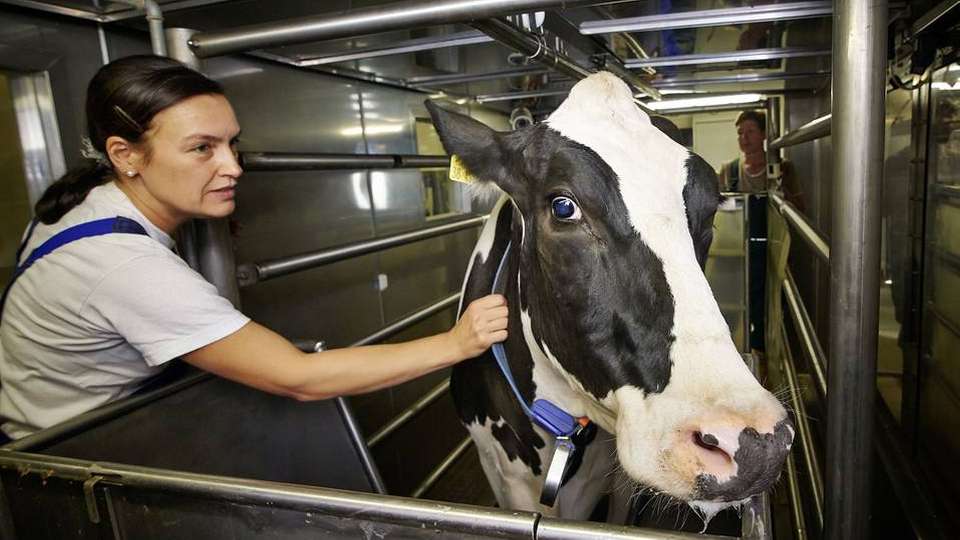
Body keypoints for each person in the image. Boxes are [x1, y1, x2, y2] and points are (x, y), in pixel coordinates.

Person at [0, 55, 508, 442]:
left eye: (231, 143)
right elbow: (299, 378)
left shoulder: (83, 206)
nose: (233, 167)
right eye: (202, 148)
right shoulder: (123, 265)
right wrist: (456, 343)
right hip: (61, 458)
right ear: (124, 155)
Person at [717, 110, 804, 212]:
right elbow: (717, 208)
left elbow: (800, 208)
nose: (744, 138)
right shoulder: (728, 169)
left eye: (750, 131)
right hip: (739, 227)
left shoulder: (783, 167)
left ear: (763, 134)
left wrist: (782, 192)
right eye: (740, 133)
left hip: (774, 227)